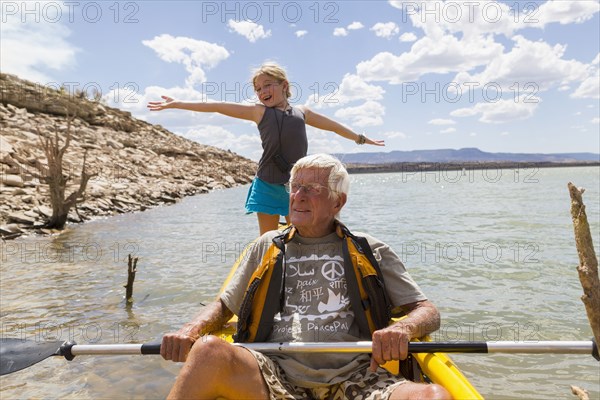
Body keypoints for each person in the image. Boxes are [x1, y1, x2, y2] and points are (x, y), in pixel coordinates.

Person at [160, 153, 451, 400]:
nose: (298, 196)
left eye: (312, 188)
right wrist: (191, 330)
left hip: (357, 377)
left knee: (434, 396)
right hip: (272, 372)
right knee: (208, 351)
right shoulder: (266, 246)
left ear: (338, 202)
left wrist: (403, 329)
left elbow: (427, 311)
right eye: (295, 187)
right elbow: (225, 306)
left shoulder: (371, 249)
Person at [147, 63, 385, 235]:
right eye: (258, 89)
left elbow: (333, 127)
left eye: (267, 85)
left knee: (299, 235)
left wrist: (361, 138)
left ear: (284, 85)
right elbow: (217, 107)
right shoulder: (258, 112)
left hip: (295, 188)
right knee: (268, 239)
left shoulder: (303, 113)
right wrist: (177, 103)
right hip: (267, 184)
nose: (262, 92)